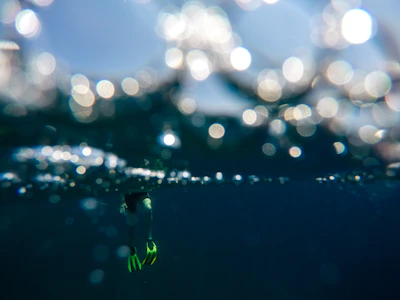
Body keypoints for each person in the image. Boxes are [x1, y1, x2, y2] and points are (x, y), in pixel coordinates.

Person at [120, 191, 158, 272]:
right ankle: (131, 246)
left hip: (141, 192)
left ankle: (149, 239)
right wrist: (122, 201)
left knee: (148, 208)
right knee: (131, 218)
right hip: (129, 194)